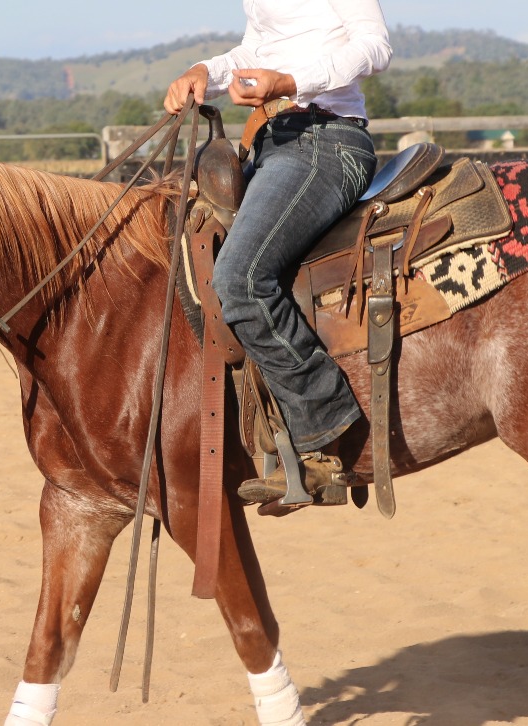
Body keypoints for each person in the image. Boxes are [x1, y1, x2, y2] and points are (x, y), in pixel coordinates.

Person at [164, 0, 392, 509]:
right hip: (270, 143)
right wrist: (207, 71)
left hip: (325, 141)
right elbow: (255, 49)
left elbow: (375, 47)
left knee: (240, 279)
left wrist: (288, 82)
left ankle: (325, 425)